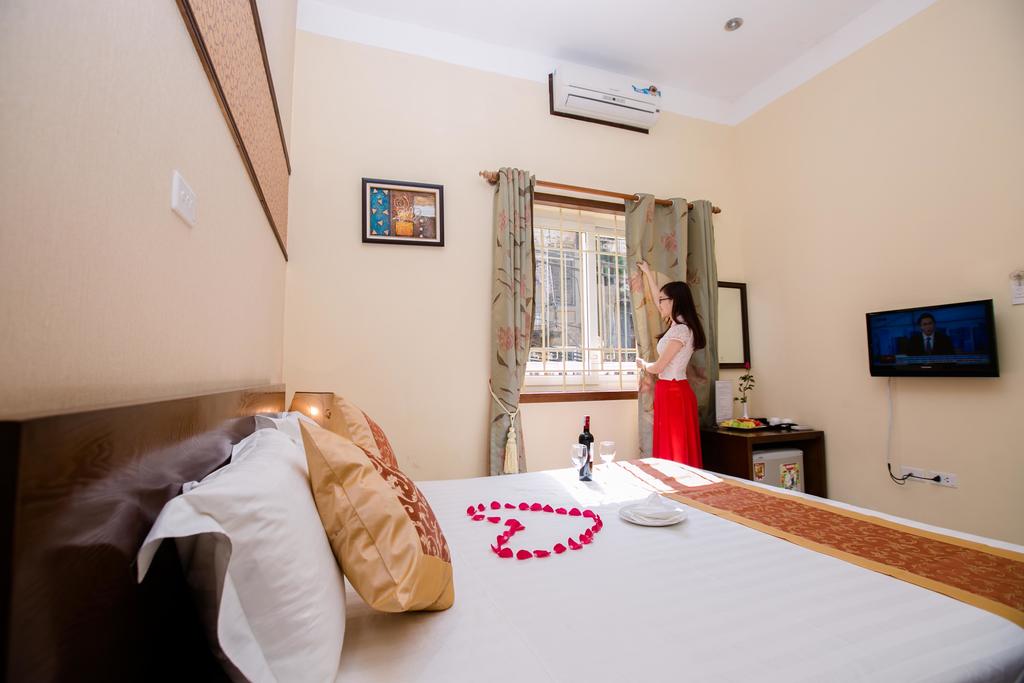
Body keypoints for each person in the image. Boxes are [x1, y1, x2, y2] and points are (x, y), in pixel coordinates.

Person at [635, 261, 707, 467]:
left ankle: (679, 482)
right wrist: (648, 273)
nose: (659, 304)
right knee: (670, 445)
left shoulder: (681, 330)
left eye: (663, 301)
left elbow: (659, 367)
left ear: (674, 301)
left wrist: (642, 364)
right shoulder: (677, 325)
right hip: (669, 390)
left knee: (675, 447)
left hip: (674, 392)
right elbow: (658, 298)